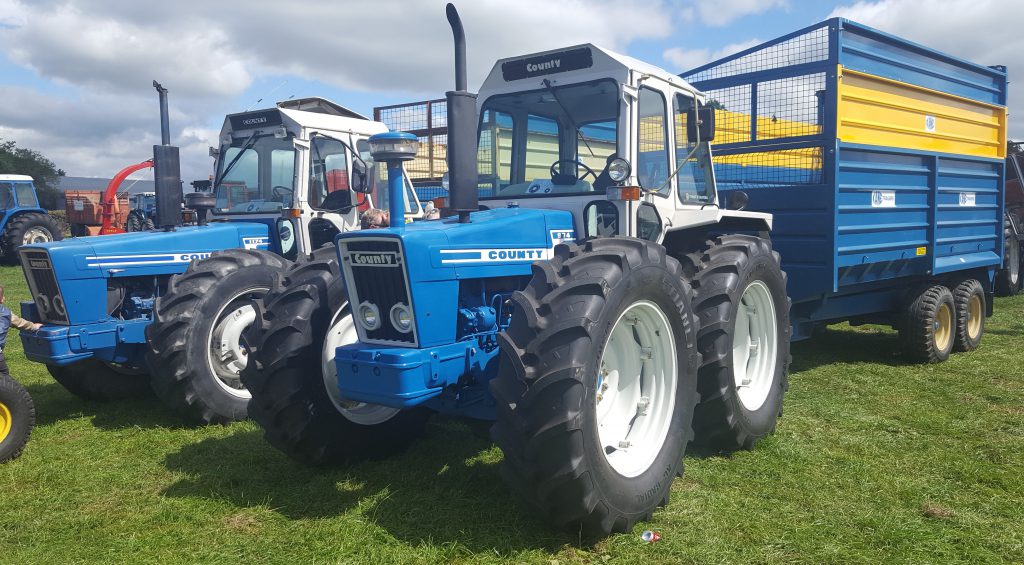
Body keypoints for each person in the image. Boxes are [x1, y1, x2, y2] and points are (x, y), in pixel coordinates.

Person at [0, 284, 41, 380]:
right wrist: (34, 326)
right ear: (1, 299)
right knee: (4, 377)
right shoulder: (6, 314)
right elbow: (21, 323)